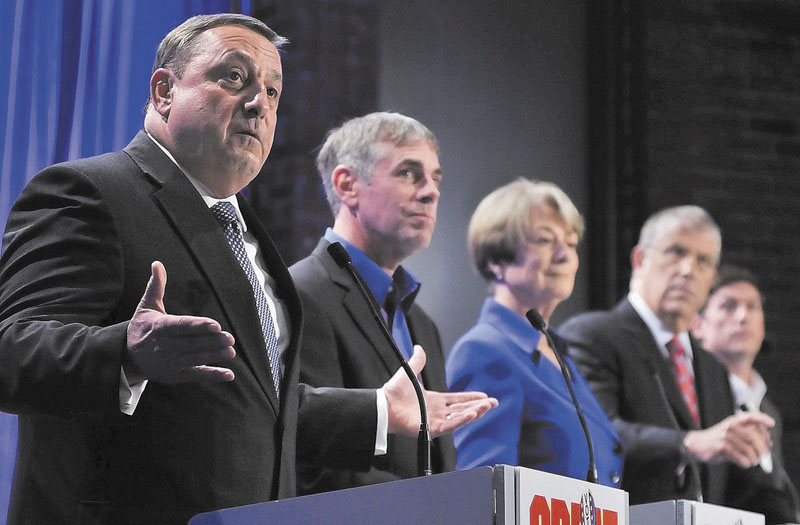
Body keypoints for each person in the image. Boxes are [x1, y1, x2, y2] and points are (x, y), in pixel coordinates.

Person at [0, 14, 494, 524]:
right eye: (233, 77)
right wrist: (125, 351)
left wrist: (377, 413)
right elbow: (12, 350)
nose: (259, 103)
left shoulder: (250, 237)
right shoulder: (89, 192)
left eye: (274, 92)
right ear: (165, 90)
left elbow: (257, 409)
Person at [290, 112, 476, 493]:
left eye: (435, 178)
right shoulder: (301, 294)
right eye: (409, 173)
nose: (430, 192)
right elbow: (309, 462)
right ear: (348, 185)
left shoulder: (423, 325)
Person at [560, 205, 775, 507]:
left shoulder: (713, 368)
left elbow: (727, 483)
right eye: (676, 252)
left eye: (703, 261)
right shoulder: (592, 336)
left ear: (711, 277)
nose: (688, 270)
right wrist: (689, 443)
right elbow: (596, 434)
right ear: (640, 259)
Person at [445, 179, 624, 487]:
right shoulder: (484, 352)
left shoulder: (557, 351)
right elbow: (483, 491)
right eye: (545, 240)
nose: (564, 255)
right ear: (496, 258)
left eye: (570, 243)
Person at [692, 264, 800, 524]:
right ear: (697, 325)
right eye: (729, 305)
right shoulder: (690, 396)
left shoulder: (768, 410)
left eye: (753, 307)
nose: (743, 317)